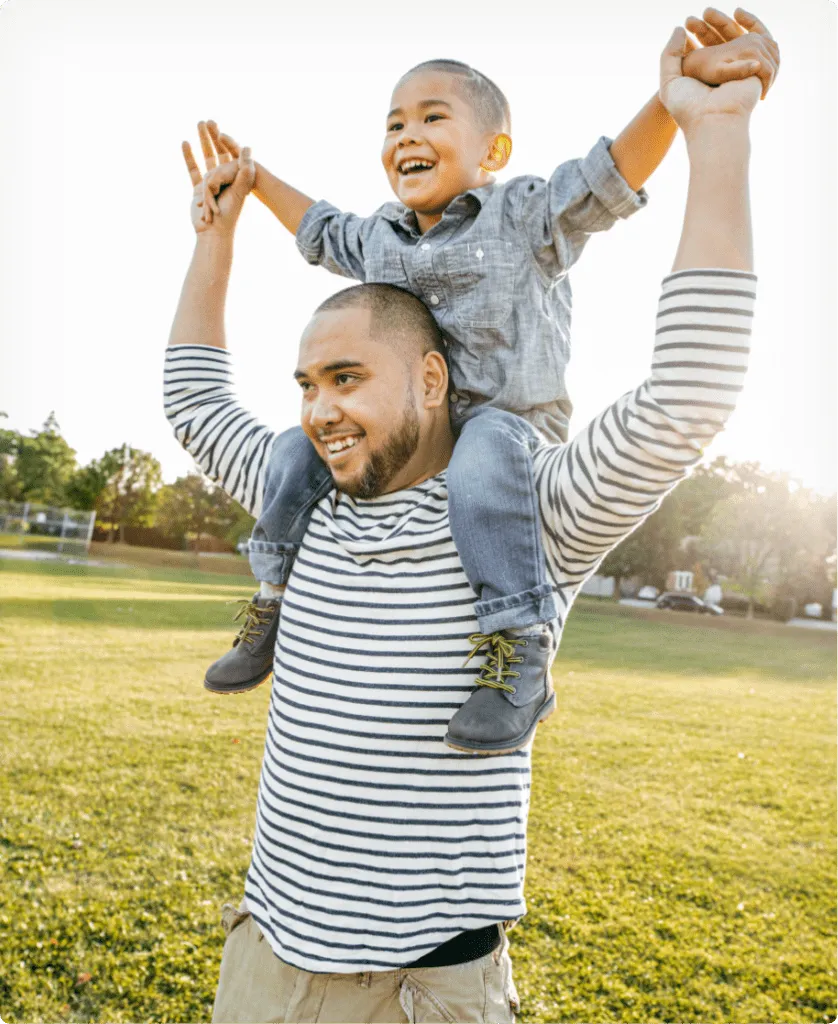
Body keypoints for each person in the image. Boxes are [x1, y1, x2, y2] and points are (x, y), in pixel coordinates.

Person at [165, 12, 772, 1018]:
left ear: (433, 375)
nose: (319, 407)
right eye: (307, 381)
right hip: (269, 966)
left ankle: (513, 648)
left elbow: (685, 395)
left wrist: (712, 134)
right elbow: (194, 399)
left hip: (429, 988)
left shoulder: (530, 514)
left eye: (348, 377)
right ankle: (264, 606)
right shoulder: (306, 486)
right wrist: (221, 226)